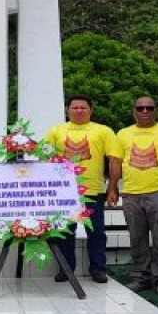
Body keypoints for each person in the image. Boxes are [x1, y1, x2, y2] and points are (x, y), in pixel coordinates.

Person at [109, 96, 158, 295]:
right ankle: (140, 277)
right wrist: (112, 188)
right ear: (134, 111)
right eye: (140, 108)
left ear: (156, 110)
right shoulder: (123, 134)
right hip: (131, 193)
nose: (145, 111)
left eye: (149, 108)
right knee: (137, 237)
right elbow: (116, 162)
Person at [45, 94, 121, 283]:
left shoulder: (103, 131)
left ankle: (98, 269)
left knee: (96, 232)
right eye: (75, 108)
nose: (79, 111)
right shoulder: (56, 131)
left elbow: (114, 159)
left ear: (90, 110)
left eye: (83, 108)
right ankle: (66, 269)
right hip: (63, 192)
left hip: (93, 191)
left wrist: (112, 188)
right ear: (67, 110)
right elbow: (45, 159)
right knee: (64, 233)